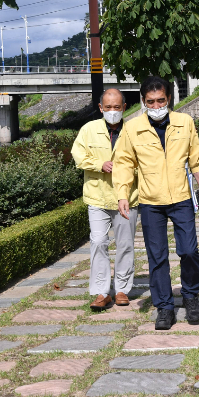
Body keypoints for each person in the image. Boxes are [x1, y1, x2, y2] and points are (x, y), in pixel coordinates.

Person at [113, 76, 199, 330]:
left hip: (180, 198)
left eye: (161, 101)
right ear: (143, 102)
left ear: (169, 99)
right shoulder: (132, 128)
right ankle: (164, 307)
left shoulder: (184, 122)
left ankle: (190, 297)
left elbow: (196, 159)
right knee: (157, 256)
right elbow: (124, 163)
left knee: (189, 250)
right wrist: (123, 194)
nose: (156, 106)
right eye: (150, 102)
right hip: (150, 201)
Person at [71, 88, 139, 311]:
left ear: (124, 107)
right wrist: (99, 165)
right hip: (97, 196)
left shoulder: (134, 130)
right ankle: (101, 291)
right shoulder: (88, 129)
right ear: (101, 108)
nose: (112, 111)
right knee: (99, 242)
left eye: (116, 107)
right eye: (108, 107)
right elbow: (78, 155)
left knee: (125, 244)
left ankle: (121, 289)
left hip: (127, 197)